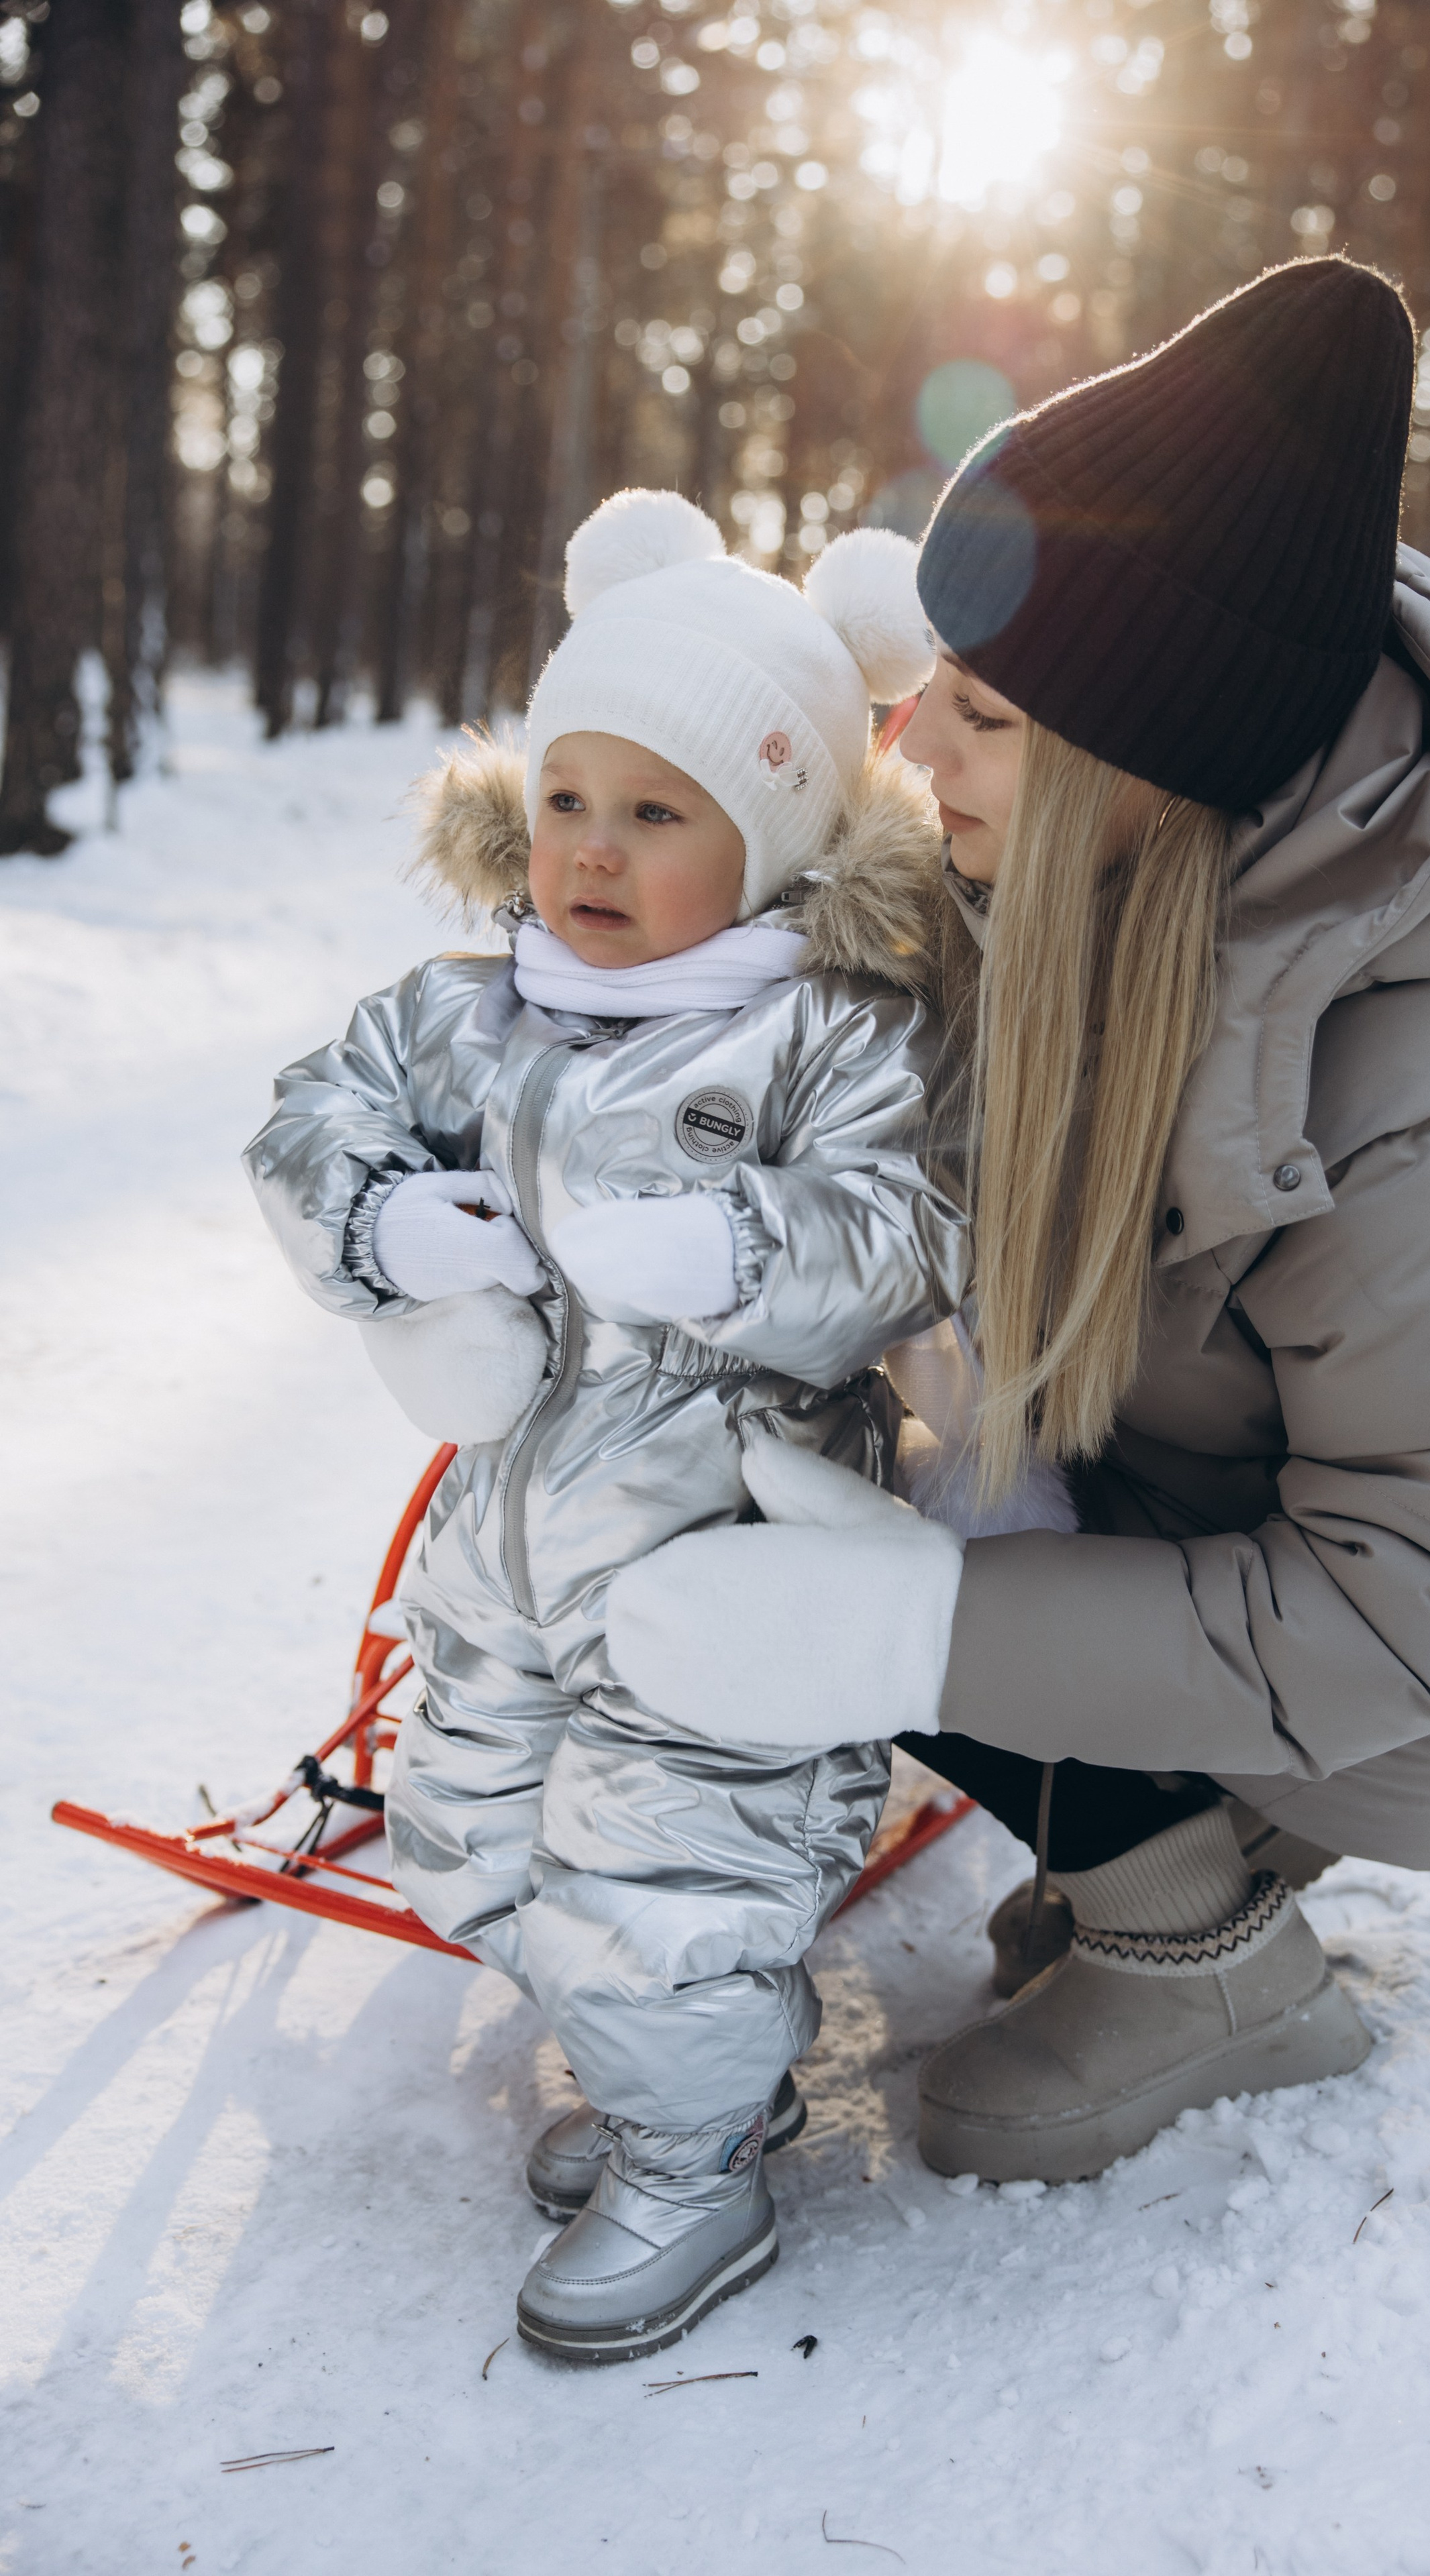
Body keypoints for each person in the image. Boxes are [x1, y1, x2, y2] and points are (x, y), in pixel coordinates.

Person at [603, 260, 1430, 2188]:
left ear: (1144, 777)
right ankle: (1145, 1841)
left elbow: (1401, 1609)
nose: (914, 746)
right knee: (764, 1476)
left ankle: (1208, 1948)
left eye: (982, 711)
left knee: (886, 1578)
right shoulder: (1046, 886)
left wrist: (919, 1629)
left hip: (1404, 1637)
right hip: (1185, 1496)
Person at [244, 488, 968, 2363]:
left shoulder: (831, 1033)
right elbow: (313, 1116)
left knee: (671, 1874)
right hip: (508, 1539)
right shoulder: (468, 1012)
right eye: (569, 797)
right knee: (468, 1828)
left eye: (660, 815)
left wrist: (739, 1243)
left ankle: (692, 2154)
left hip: (722, 1551)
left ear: (777, 835)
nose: (593, 851)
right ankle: (702, 2080)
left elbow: (908, 1231)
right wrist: (386, 1221)